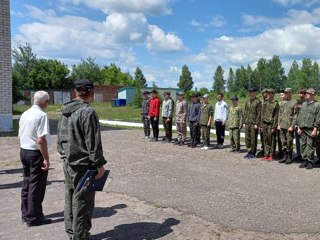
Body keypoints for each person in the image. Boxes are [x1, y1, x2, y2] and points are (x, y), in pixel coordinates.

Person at [57, 79, 107, 240]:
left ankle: (72, 233)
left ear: (75, 91)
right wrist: (99, 164)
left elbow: (60, 137)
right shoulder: (87, 112)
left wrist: (64, 154)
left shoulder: (66, 110)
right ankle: (81, 236)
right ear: (92, 92)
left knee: (70, 197)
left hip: (69, 162)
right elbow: (93, 141)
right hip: (84, 165)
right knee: (83, 202)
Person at [18, 90, 52, 227]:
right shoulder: (41, 115)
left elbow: (20, 134)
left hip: (24, 150)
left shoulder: (25, 114)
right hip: (35, 153)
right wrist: (46, 158)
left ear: (33, 99)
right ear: (46, 103)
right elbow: (41, 139)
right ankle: (34, 217)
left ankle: (25, 213)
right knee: (36, 186)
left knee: (27, 183)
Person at [296, 88, 320, 169]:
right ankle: (304, 160)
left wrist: (315, 129)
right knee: (303, 145)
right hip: (302, 128)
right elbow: (300, 116)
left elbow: (318, 118)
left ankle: (310, 161)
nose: (306, 94)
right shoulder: (304, 104)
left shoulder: (317, 105)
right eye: (306, 93)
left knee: (310, 146)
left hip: (311, 128)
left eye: (308, 93)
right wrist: (298, 127)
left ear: (313, 95)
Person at [278, 88, 296, 164]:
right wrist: (278, 124)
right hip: (282, 126)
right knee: (283, 141)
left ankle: (289, 157)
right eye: (284, 93)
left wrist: (292, 126)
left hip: (289, 126)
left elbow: (295, 116)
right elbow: (279, 114)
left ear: (290, 93)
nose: (285, 94)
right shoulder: (282, 103)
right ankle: (285, 156)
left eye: (286, 93)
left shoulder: (294, 103)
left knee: (289, 142)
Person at [261, 89, 279, 161]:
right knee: (265, 139)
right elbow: (262, 114)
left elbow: (276, 116)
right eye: (267, 93)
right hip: (264, 123)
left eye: (269, 93)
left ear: (273, 94)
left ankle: (271, 155)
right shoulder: (265, 103)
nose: (267, 94)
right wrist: (261, 125)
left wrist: (274, 127)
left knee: (271, 140)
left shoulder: (275, 104)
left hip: (271, 124)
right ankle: (266, 154)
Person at [243, 87, 262, 159]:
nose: (251, 93)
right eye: (250, 92)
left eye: (252, 92)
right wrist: (244, 122)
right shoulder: (247, 102)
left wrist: (257, 123)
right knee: (247, 138)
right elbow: (245, 112)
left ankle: (253, 153)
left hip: (254, 123)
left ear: (255, 92)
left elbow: (259, 113)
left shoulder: (258, 101)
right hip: (247, 122)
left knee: (253, 138)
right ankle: (249, 151)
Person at [293, 88, 306, 161]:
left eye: (302, 93)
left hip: (304, 124)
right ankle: (299, 154)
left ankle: (304, 156)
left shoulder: (307, 102)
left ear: (305, 94)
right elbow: (295, 113)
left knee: (303, 141)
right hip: (297, 123)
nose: (300, 94)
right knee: (297, 140)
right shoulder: (297, 102)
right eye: (299, 93)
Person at [256, 88, 268, 158]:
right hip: (261, 122)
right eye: (262, 93)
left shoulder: (269, 102)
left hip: (267, 122)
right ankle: (263, 149)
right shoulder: (261, 102)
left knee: (267, 138)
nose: (263, 94)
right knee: (262, 137)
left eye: (264, 93)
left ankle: (268, 151)